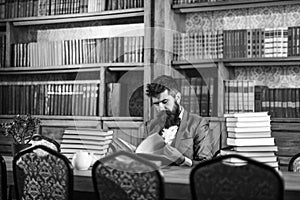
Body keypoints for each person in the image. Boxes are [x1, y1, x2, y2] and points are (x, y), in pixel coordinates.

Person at [138, 75, 215, 166]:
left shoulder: (198, 124)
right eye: (156, 104)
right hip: (155, 178)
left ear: (177, 98)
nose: (161, 108)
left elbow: (206, 165)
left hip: (183, 179)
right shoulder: (148, 126)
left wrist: (184, 161)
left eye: (165, 102)